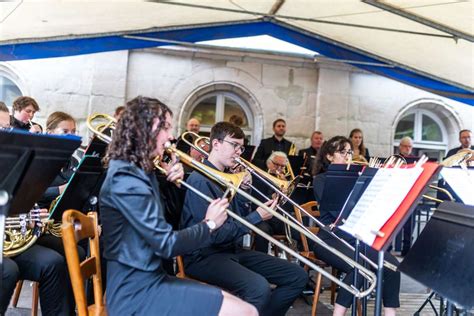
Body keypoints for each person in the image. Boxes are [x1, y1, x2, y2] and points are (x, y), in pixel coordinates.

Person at [99, 96, 256, 316]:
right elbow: (166, 244)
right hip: (135, 293)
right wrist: (210, 223)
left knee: (239, 305)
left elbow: (167, 222)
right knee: (244, 312)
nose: (171, 136)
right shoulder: (126, 179)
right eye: (164, 127)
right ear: (143, 129)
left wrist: (172, 184)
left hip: (151, 279)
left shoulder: (139, 171)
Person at [181, 121, 308, 316]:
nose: (239, 152)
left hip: (231, 250)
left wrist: (244, 191)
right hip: (204, 255)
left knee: (297, 276)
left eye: (241, 147)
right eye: (234, 145)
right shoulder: (199, 179)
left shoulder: (228, 177)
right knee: (259, 288)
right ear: (216, 144)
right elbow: (214, 235)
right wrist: (256, 216)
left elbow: (235, 222)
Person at [311, 136, 400, 316]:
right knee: (360, 267)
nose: (347, 156)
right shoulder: (321, 179)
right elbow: (338, 212)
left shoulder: (358, 178)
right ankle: (339, 313)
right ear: (329, 156)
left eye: (350, 152)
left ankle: (390, 313)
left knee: (392, 265)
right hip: (330, 238)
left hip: (354, 238)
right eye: (342, 152)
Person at [1, 208, 75, 315]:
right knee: (9, 271)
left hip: (10, 243)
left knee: (53, 262)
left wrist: (29, 218)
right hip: (6, 255)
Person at [253, 151, 288, 253]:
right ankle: (261, 259)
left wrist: (286, 190)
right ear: (269, 163)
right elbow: (255, 201)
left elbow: (289, 205)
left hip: (278, 218)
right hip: (261, 218)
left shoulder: (284, 180)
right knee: (263, 231)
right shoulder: (259, 177)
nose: (279, 168)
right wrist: (272, 197)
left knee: (297, 230)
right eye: (276, 164)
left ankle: (301, 260)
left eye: (282, 166)